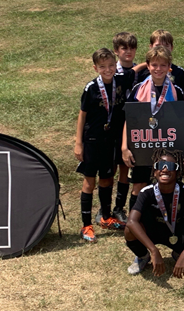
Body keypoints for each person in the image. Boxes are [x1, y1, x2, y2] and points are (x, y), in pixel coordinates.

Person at [74, 47, 134, 242]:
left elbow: (137, 70)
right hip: (92, 140)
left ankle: (106, 217)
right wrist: (78, 143)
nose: (107, 70)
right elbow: (82, 116)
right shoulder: (91, 88)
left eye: (110, 66)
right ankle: (86, 226)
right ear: (95, 68)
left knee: (107, 179)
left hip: (111, 140)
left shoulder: (120, 81)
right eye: (103, 67)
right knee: (89, 182)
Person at [124, 148, 184, 277]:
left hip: (177, 232)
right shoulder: (146, 192)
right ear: (154, 171)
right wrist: (153, 250)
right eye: (159, 165)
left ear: (178, 171)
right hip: (152, 232)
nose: (164, 169)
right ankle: (143, 256)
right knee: (129, 229)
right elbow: (131, 221)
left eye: (170, 166)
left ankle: (179, 254)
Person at [121, 45, 184, 218]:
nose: (158, 69)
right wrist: (124, 147)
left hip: (167, 146)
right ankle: (134, 222)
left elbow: (181, 122)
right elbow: (130, 119)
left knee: (168, 183)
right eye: (154, 65)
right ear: (148, 65)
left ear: (169, 66)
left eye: (163, 65)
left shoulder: (176, 90)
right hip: (143, 144)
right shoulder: (138, 89)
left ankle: (164, 219)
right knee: (139, 185)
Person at [111, 32, 139, 225]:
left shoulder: (140, 72)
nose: (128, 51)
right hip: (114, 125)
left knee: (125, 167)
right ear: (116, 51)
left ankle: (119, 208)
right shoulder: (113, 72)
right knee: (111, 169)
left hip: (133, 124)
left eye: (131, 48)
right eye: (124, 48)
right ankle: (106, 210)